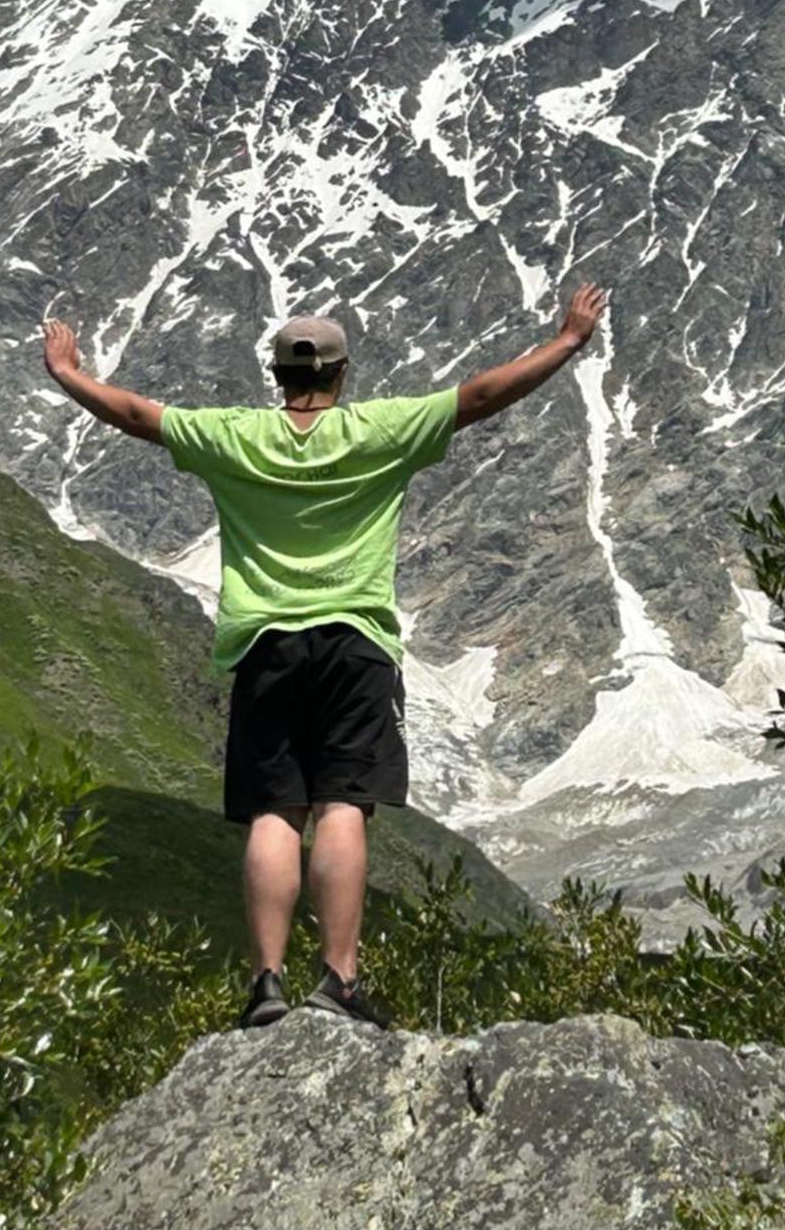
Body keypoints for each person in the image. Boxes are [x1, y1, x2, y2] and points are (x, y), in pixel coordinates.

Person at [41, 282, 608, 1030]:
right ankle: (338, 980)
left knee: (276, 812)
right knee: (344, 804)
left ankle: (266, 981)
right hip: (356, 643)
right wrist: (566, 341)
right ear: (341, 376)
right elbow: (478, 397)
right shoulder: (378, 430)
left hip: (265, 645)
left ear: (277, 377)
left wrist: (70, 374)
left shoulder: (235, 436)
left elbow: (139, 416)